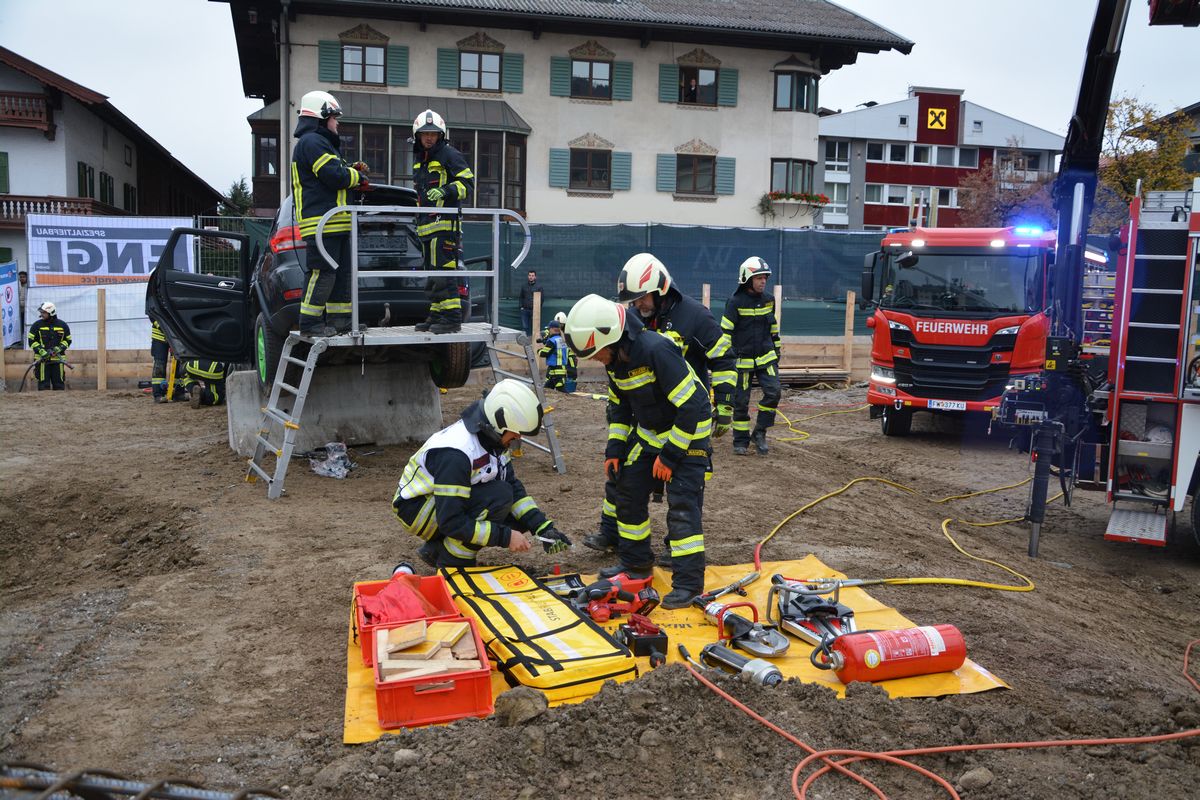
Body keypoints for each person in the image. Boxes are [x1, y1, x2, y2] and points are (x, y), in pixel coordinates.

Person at [583, 254, 735, 562]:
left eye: (641, 297)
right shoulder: (631, 320)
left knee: (686, 487)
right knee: (622, 471)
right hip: (646, 416)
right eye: (632, 300)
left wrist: (727, 405)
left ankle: (674, 547)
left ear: (662, 289)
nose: (637, 305)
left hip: (685, 414)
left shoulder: (695, 317)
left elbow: (723, 358)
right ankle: (611, 533)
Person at [564, 294, 711, 609]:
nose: (594, 359)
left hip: (688, 436)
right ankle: (636, 564)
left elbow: (693, 405)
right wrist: (615, 448)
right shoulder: (617, 359)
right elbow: (619, 405)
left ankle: (688, 585)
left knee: (683, 509)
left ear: (611, 338)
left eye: (594, 352)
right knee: (626, 491)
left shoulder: (656, 350)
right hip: (650, 435)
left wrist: (671, 456)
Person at [391, 378, 571, 568]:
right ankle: (452, 562)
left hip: (441, 505)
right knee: (498, 497)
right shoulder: (456, 454)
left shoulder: (493, 440)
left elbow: (514, 488)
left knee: (513, 508)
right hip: (419, 511)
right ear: (499, 423)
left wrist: (542, 527)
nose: (519, 437)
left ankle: (436, 549)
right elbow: (451, 521)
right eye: (516, 432)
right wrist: (505, 536)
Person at [291, 89, 369, 337]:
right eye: (335, 117)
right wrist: (357, 176)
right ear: (322, 117)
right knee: (322, 273)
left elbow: (334, 171)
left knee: (340, 274)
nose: (338, 123)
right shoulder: (312, 142)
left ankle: (339, 321)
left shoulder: (318, 143)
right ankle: (310, 325)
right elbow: (334, 176)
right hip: (322, 224)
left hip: (334, 223)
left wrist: (350, 169)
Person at [412, 109, 475, 335]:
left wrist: (446, 190)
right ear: (417, 135)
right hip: (427, 228)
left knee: (444, 273)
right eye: (425, 133)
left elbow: (468, 184)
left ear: (441, 135)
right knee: (432, 274)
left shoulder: (450, 155)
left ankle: (451, 318)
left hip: (445, 227)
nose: (429, 137)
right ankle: (437, 314)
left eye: (434, 133)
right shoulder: (420, 161)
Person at [721, 257, 782, 456]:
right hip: (741, 361)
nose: (763, 281)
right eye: (758, 278)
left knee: (774, 393)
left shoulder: (769, 300)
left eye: (765, 278)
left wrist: (777, 349)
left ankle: (760, 433)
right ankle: (740, 440)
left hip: (766, 357)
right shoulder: (734, 302)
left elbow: (773, 327)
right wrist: (725, 359)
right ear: (747, 279)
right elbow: (725, 333)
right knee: (740, 402)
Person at [27, 301, 71, 390]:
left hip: (58, 361)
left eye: (44, 313)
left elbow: (68, 340)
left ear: (51, 313)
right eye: (41, 312)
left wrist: (59, 348)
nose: (41, 314)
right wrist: (41, 350)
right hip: (42, 361)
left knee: (59, 385)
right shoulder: (36, 325)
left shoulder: (63, 325)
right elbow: (31, 341)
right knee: (43, 386)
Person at [537, 317, 570, 393]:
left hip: (556, 370)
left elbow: (543, 353)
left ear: (552, 329)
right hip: (559, 369)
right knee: (547, 389)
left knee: (561, 390)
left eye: (549, 329)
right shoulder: (561, 340)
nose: (548, 331)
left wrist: (538, 351)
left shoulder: (552, 341)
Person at [519, 270, 543, 337]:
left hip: (534, 310)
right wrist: (521, 307)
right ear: (528, 276)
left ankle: (534, 340)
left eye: (532, 276)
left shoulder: (539, 287)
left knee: (534, 326)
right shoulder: (524, 286)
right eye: (529, 275)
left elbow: (542, 299)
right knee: (525, 326)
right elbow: (521, 297)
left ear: (535, 277)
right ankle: (526, 340)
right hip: (525, 310)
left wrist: (537, 309)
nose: (531, 277)